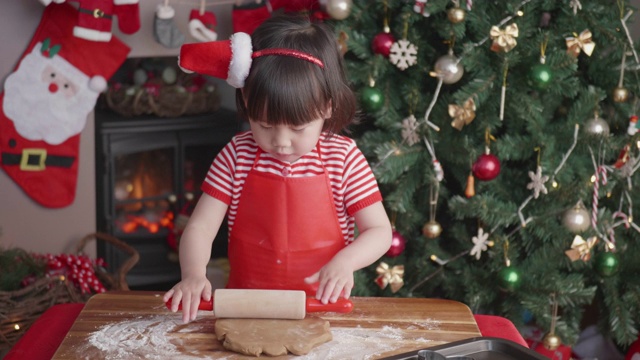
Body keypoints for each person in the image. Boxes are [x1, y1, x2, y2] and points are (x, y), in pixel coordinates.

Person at [164, 14, 392, 324]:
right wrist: (193, 274)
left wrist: (346, 262)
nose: (281, 142)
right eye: (265, 125)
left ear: (327, 105)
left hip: (322, 311)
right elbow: (201, 227)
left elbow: (379, 231)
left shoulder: (344, 159)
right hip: (247, 309)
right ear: (246, 101)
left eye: (298, 127)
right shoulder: (236, 155)